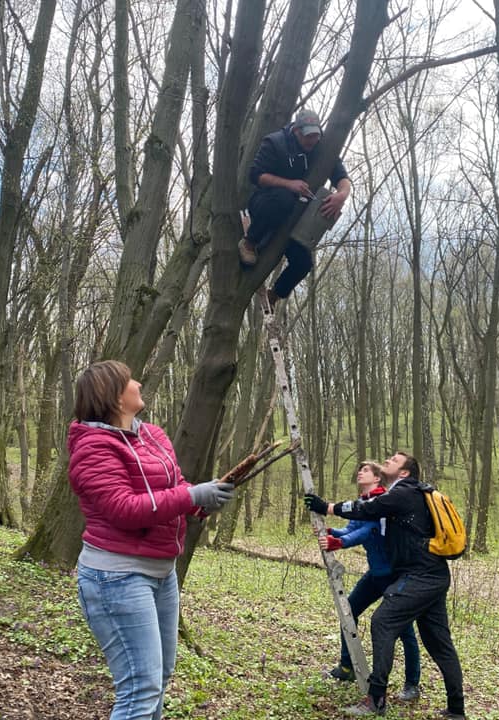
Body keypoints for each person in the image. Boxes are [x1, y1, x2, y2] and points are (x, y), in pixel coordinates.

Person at [68, 360, 235, 720]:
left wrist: (203, 499)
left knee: (158, 678)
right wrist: (191, 497)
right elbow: (123, 508)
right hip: (116, 577)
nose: (138, 383)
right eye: (129, 381)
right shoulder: (92, 447)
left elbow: (173, 489)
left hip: (162, 573)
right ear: (112, 396)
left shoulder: (153, 435)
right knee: (140, 688)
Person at [305, 452, 467, 719]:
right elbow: (366, 516)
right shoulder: (405, 495)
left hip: (421, 576)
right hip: (432, 575)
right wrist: (336, 531)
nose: (388, 461)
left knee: (383, 621)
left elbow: (366, 510)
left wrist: (327, 507)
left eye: (394, 460)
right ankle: (456, 709)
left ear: (404, 473)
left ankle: (377, 698)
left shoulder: (403, 493)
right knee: (438, 642)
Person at [319, 460, 422, 703]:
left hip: (393, 575)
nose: (359, 473)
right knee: (349, 611)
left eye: (365, 470)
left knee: (404, 629)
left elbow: (368, 532)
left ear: (377, 478)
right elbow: (353, 528)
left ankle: (412, 684)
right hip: (375, 574)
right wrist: (333, 533)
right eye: (360, 470)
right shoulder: (363, 504)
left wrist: (340, 543)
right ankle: (347, 667)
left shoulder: (382, 501)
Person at [239, 107, 352, 306]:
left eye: (315, 136)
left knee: (303, 263)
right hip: (266, 203)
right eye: (307, 137)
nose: (312, 141)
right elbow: (256, 175)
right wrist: (288, 184)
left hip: (295, 218)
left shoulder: (321, 148)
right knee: (284, 198)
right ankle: (250, 242)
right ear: (296, 131)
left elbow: (342, 178)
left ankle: (273, 296)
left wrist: (341, 196)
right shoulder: (275, 142)